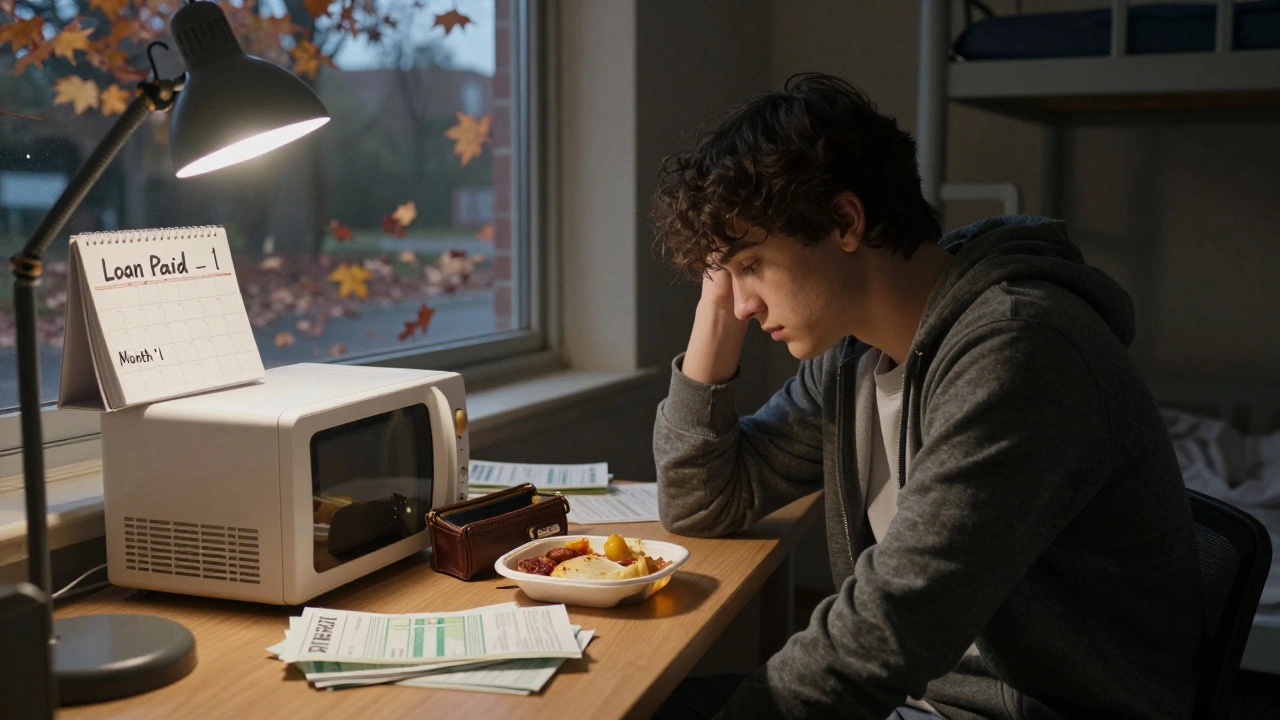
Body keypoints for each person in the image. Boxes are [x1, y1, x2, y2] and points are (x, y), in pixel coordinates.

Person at [649, 73, 1203, 720]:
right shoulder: (851, 359)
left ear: (844, 221)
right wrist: (718, 296)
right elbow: (701, 500)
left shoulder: (1020, 350)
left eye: (751, 267)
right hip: (922, 702)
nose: (742, 305)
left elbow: (890, 625)